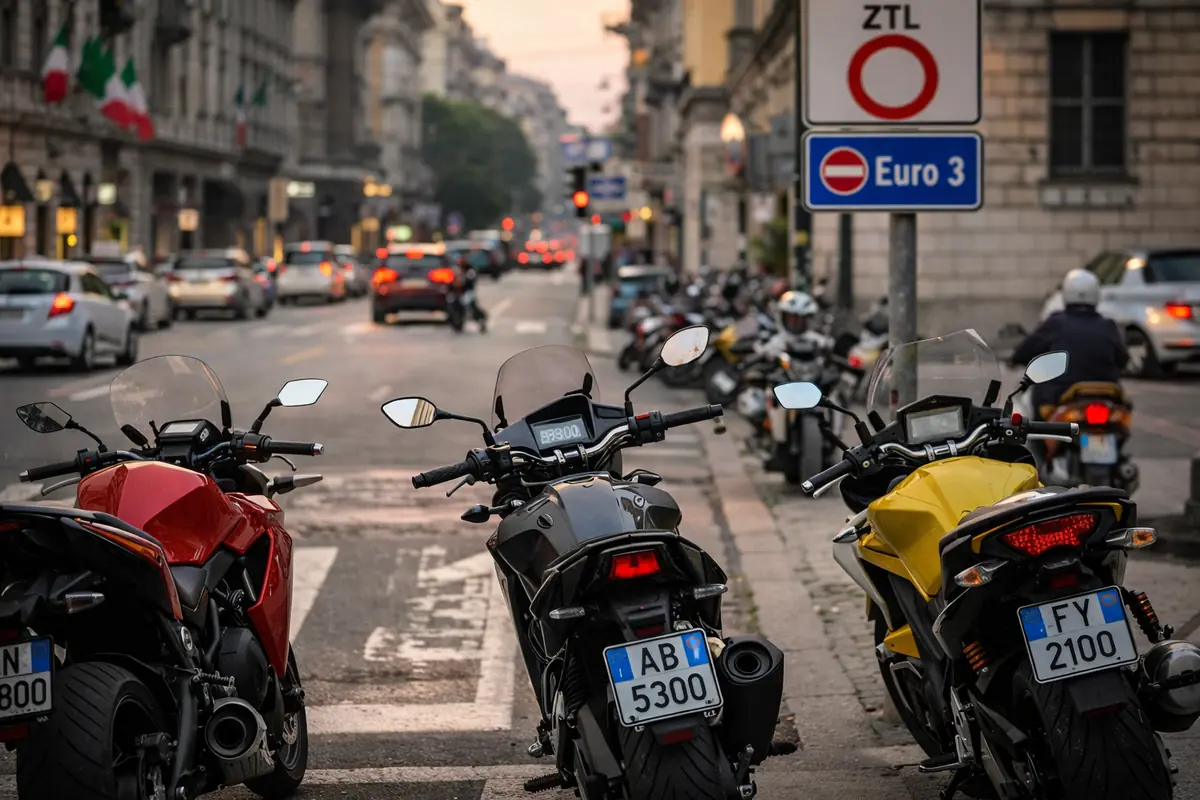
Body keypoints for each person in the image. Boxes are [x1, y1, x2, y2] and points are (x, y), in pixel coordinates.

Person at [1011, 268, 1128, 421]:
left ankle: (1040, 436)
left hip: (1062, 393)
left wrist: (1015, 359)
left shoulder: (1056, 323)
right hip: (1107, 394)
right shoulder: (1108, 325)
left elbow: (1028, 349)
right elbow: (1123, 360)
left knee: (1035, 402)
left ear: (1066, 293)